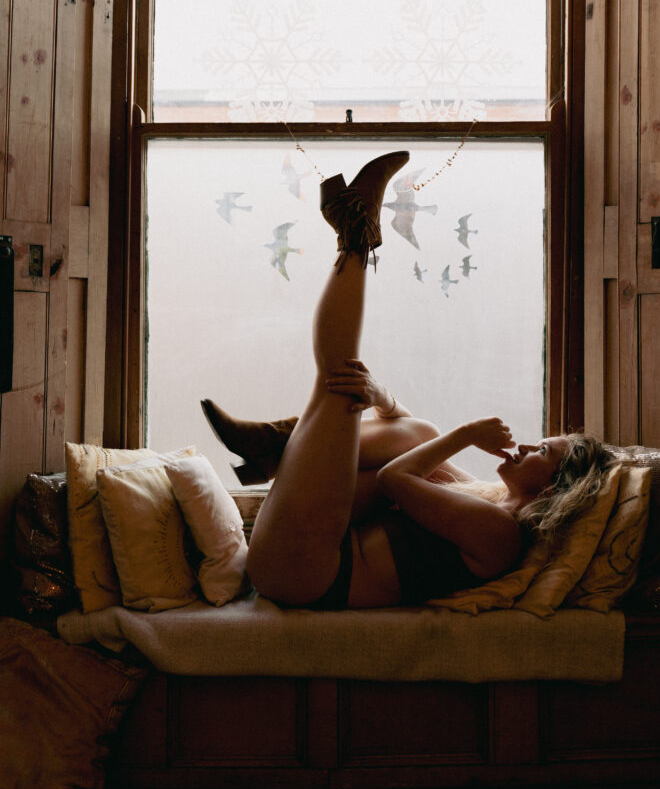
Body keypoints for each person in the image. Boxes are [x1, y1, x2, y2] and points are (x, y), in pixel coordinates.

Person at [202, 150, 616, 609]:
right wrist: (383, 398)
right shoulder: (487, 500)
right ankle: (276, 445)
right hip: (311, 550)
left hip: (306, 572)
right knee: (415, 430)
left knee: (338, 385)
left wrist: (467, 434)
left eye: (542, 451)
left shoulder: (501, 534)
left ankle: (355, 233)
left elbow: (395, 478)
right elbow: (415, 450)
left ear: (556, 487)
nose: (525, 446)